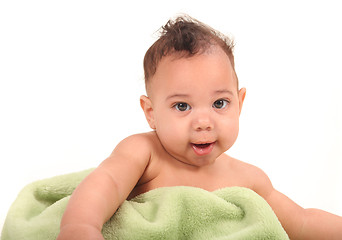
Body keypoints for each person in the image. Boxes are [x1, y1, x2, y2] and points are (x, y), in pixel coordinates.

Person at [57, 15, 342, 240]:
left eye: (219, 103)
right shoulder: (144, 153)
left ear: (240, 103)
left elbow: (302, 222)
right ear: (151, 113)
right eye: (182, 106)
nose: (204, 123)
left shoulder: (249, 179)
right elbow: (105, 182)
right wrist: (80, 225)